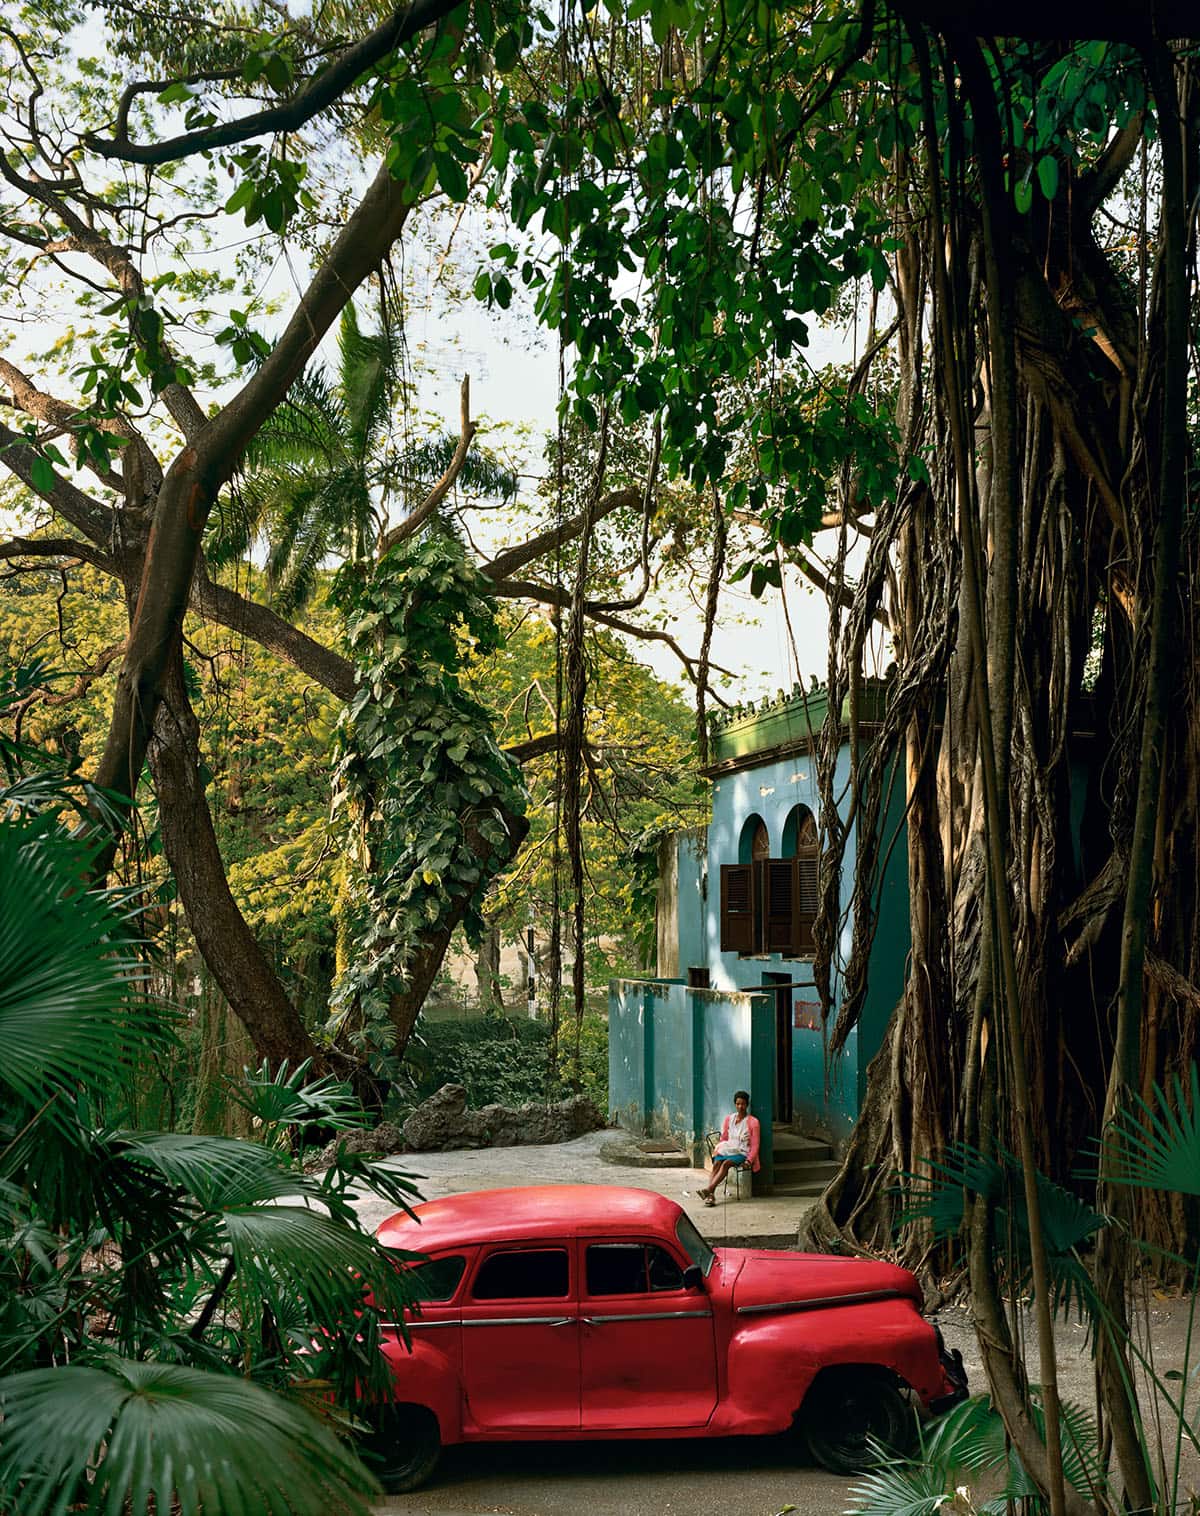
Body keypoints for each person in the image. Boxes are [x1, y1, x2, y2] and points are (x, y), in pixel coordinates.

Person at [699, 1090, 760, 1205]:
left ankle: (709, 1190)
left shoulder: (753, 1122)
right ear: (735, 1104)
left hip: (742, 1152)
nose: (740, 1106)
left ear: (747, 1105)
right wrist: (718, 1149)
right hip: (728, 1148)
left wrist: (749, 1160)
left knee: (726, 1163)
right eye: (738, 1104)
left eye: (743, 1104)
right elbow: (724, 1138)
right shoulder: (729, 1119)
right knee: (717, 1164)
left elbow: (755, 1144)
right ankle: (711, 1195)